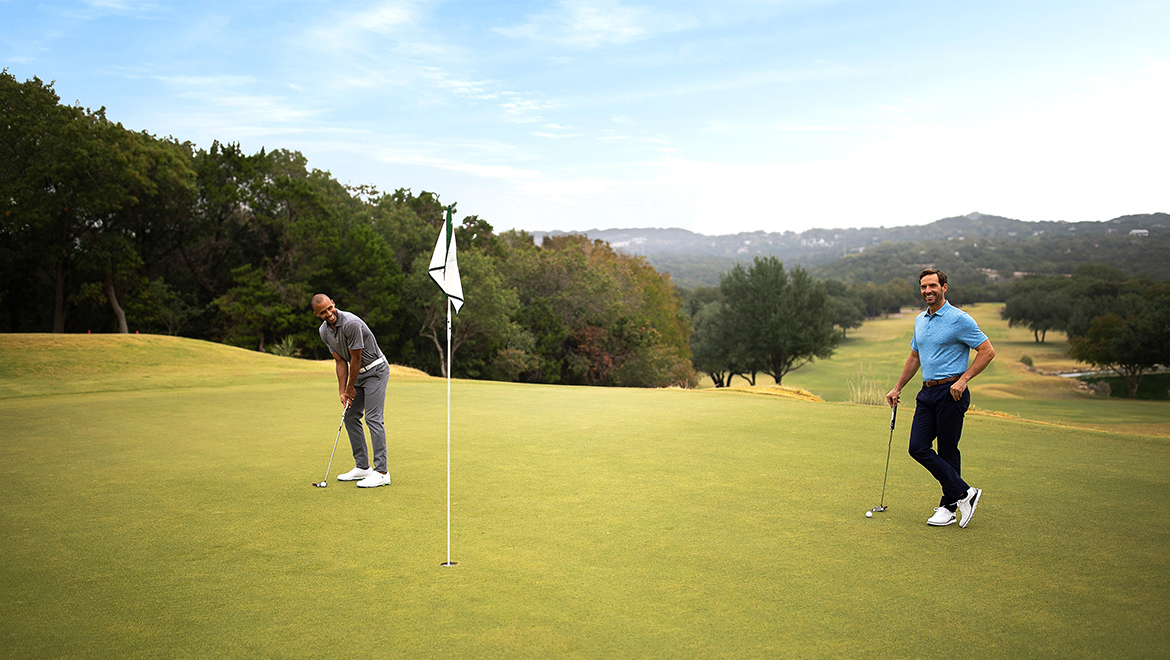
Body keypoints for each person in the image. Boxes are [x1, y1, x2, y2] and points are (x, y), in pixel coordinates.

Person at [886, 269, 995, 527]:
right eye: (924, 287)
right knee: (917, 447)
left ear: (944, 287)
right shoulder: (920, 320)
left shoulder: (960, 319)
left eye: (933, 285)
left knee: (947, 450)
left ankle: (948, 507)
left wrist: (964, 379)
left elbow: (987, 351)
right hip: (926, 393)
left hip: (951, 392)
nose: (928, 291)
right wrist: (897, 387)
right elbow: (915, 357)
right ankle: (964, 493)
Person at [311, 294, 391, 488]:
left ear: (333, 304)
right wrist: (342, 391)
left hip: (375, 370)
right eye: (323, 312)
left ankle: (381, 472)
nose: (329, 313)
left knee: (373, 418)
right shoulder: (324, 332)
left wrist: (350, 388)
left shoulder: (351, 323)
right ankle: (363, 467)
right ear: (317, 314)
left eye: (330, 308)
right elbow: (340, 361)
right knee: (350, 415)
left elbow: (355, 359)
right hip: (359, 374)